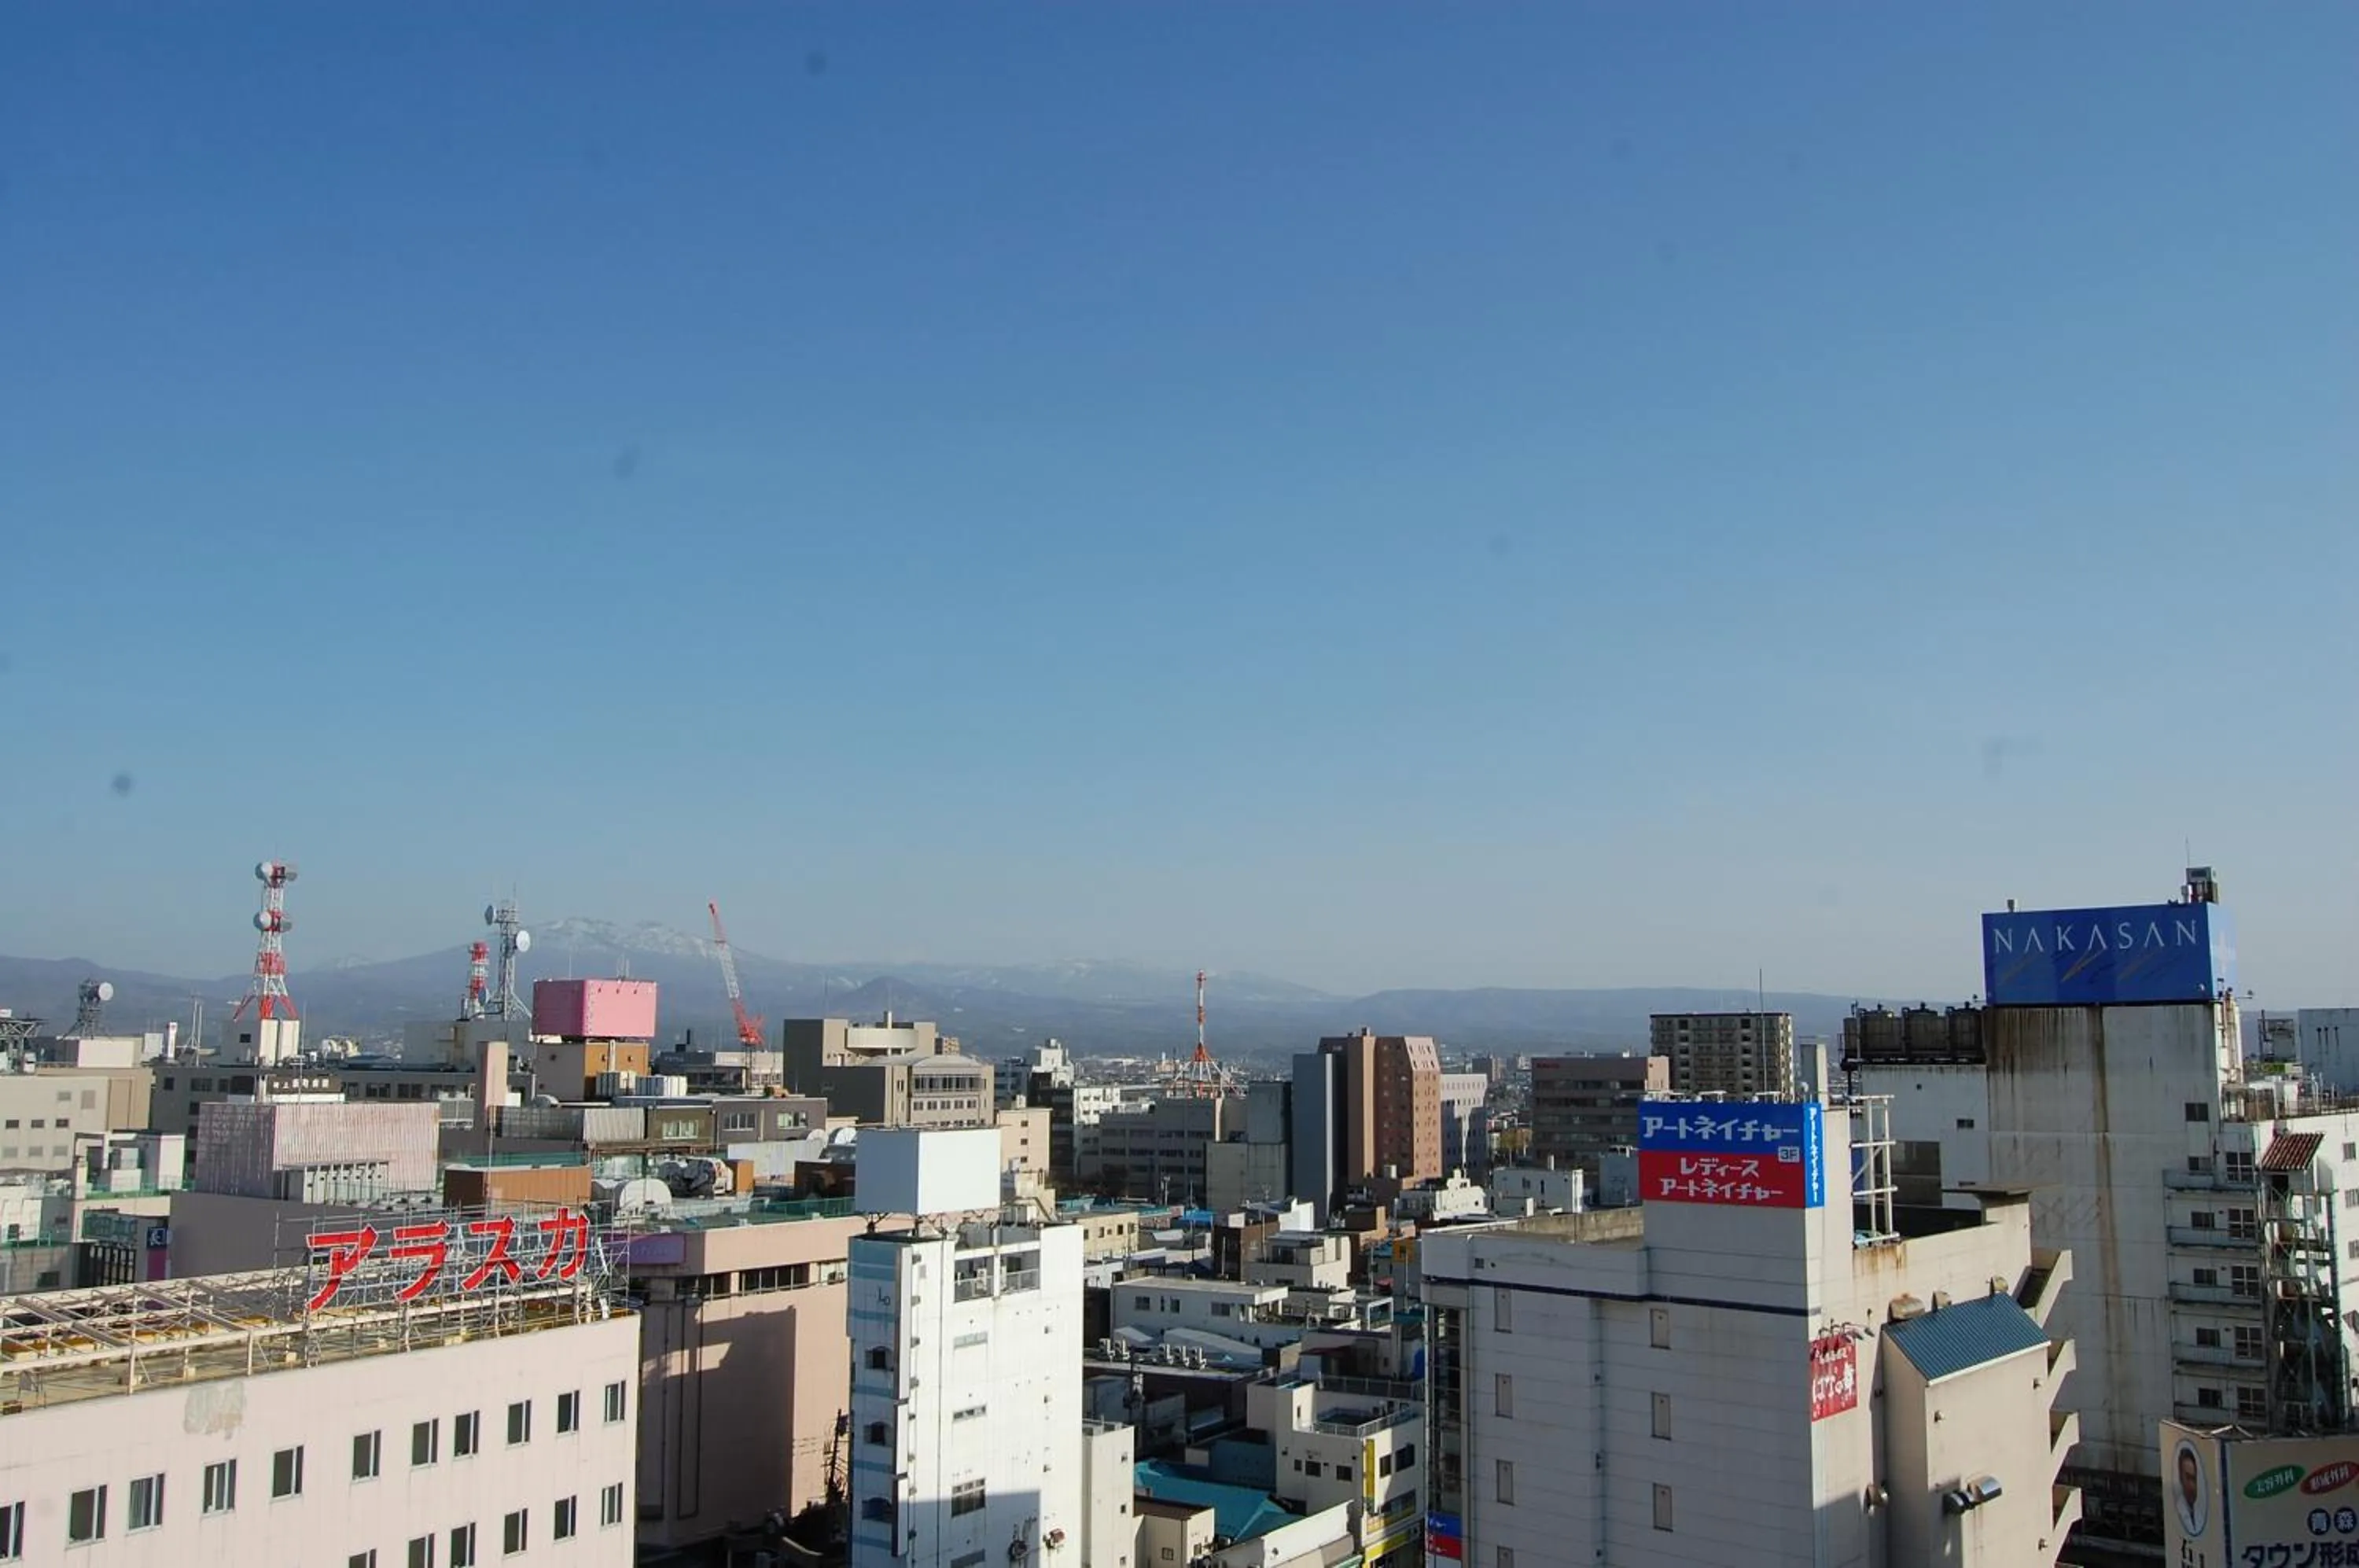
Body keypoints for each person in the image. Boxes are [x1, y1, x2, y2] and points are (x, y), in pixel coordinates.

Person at [2176, 1440, 2208, 1538]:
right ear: (2181, 1478)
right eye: (2189, 1478)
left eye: (2194, 1479)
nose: (2193, 1486)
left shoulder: (2201, 1512)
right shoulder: (2177, 1512)